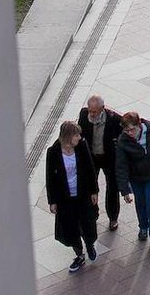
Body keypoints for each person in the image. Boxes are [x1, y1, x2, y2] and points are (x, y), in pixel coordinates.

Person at [44, 120, 100, 272]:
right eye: (76, 135)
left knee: (87, 223)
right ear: (68, 136)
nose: (79, 137)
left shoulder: (81, 147)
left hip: (83, 194)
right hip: (65, 199)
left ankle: (89, 245)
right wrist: (52, 201)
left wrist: (94, 191)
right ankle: (79, 254)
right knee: (70, 227)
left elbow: (90, 169)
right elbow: (50, 178)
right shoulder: (53, 152)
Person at [115, 110, 150, 250]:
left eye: (132, 129)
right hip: (136, 177)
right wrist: (125, 190)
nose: (129, 133)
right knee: (140, 203)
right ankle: (143, 227)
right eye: (126, 130)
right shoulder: (123, 141)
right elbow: (121, 165)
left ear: (139, 124)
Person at [77, 94, 125, 233]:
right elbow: (80, 134)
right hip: (92, 157)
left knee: (112, 187)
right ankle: (93, 214)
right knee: (91, 187)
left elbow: (123, 137)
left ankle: (113, 217)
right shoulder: (84, 114)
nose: (91, 114)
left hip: (109, 158)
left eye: (94, 111)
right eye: (90, 110)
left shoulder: (114, 119)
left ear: (102, 109)